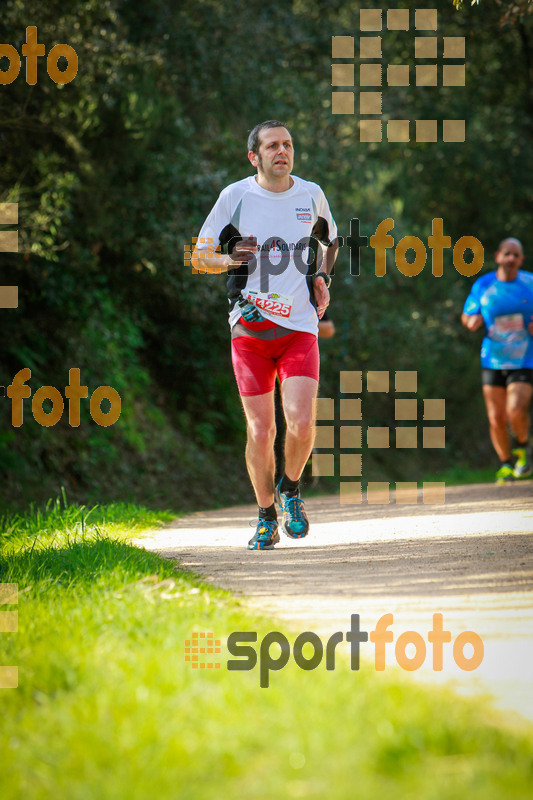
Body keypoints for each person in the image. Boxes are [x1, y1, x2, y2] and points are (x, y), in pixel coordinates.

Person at [192, 120, 339, 549]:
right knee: (260, 430)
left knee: (303, 421)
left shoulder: (310, 193)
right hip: (249, 330)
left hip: (299, 327)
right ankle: (264, 516)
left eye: (288, 144)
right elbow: (199, 255)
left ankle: (290, 489)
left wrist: (323, 278)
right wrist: (228, 260)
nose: (283, 151)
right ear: (254, 156)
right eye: (272, 145)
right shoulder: (235, 196)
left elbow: (330, 242)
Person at [462, 237, 533, 483]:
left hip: (524, 357)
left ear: (521, 259)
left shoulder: (530, 284)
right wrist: (471, 321)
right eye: (507, 253)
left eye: (516, 254)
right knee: (496, 417)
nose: (511, 259)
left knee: (515, 410)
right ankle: (505, 464)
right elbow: (468, 313)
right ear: (498, 256)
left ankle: (522, 448)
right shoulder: (483, 285)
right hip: (492, 359)